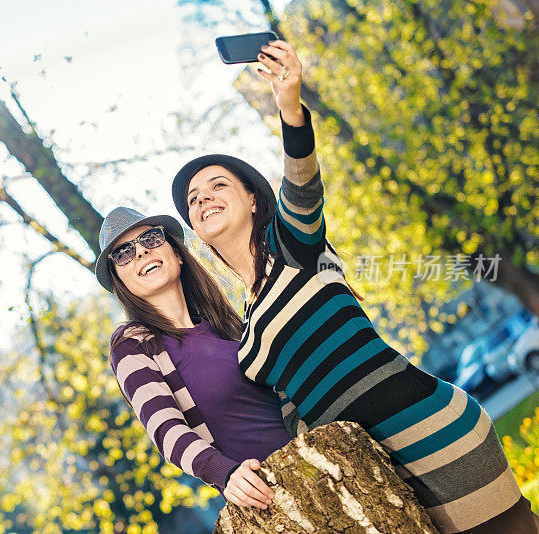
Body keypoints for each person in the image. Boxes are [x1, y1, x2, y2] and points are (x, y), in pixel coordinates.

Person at [170, 39, 538, 533]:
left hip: (431, 433)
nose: (204, 198)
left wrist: (289, 103)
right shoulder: (250, 320)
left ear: (254, 200)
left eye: (217, 185)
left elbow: (302, 183)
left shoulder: (293, 247)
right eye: (193, 199)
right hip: (376, 475)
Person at [95, 206, 292, 509]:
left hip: (319, 463)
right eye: (123, 253)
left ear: (176, 253)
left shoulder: (230, 326)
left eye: (150, 239)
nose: (140, 253)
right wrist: (225, 474)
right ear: (119, 280)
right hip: (265, 499)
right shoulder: (133, 345)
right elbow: (166, 430)